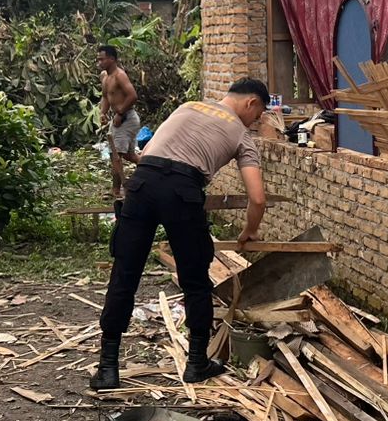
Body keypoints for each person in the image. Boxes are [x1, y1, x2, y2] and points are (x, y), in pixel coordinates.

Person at [89, 78, 270, 391]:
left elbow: (150, 153)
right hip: (183, 192)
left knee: (124, 275)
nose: (256, 122)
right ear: (251, 102)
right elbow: (257, 198)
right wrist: (249, 231)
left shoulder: (186, 107)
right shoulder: (241, 135)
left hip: (143, 183)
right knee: (195, 279)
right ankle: (197, 362)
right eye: (259, 115)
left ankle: (107, 368)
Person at [97, 45, 140, 200]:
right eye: (98, 59)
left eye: (102, 59)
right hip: (119, 118)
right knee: (129, 155)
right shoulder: (105, 76)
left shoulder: (119, 75)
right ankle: (151, 169)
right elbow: (105, 96)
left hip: (127, 118)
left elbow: (133, 96)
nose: (99, 62)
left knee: (115, 155)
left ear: (112, 59)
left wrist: (120, 113)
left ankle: (116, 190)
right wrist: (102, 113)